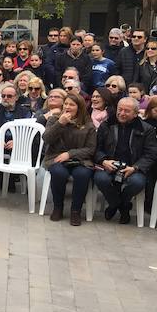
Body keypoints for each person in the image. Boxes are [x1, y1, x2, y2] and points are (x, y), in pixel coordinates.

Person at [94, 97, 157, 224]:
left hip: (133, 167)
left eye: (127, 111)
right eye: (120, 110)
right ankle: (122, 206)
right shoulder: (106, 125)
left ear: (135, 113)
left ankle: (116, 205)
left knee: (137, 182)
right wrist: (104, 161)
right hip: (109, 165)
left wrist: (135, 167)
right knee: (101, 179)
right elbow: (96, 148)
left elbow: (151, 153)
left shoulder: (146, 129)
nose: (122, 113)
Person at [42, 94, 96, 226]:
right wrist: (60, 124)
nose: (67, 107)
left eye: (72, 105)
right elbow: (46, 138)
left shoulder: (88, 124)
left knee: (82, 174)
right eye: (66, 104)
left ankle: (75, 211)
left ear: (79, 107)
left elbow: (91, 149)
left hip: (80, 159)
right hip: (56, 157)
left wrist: (70, 154)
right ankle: (58, 207)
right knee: (59, 173)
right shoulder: (54, 119)